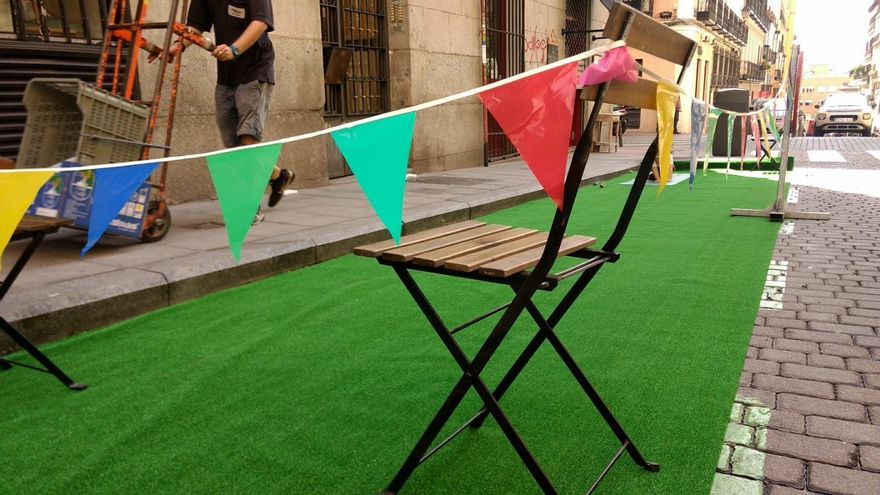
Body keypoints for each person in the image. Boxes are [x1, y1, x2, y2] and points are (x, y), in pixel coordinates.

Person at [167, 0, 293, 225]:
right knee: (233, 143)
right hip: (226, 76)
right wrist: (178, 47)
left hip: (256, 71)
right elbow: (195, 27)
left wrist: (235, 49)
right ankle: (278, 175)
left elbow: (261, 22)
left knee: (248, 137)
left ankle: (248, 206)